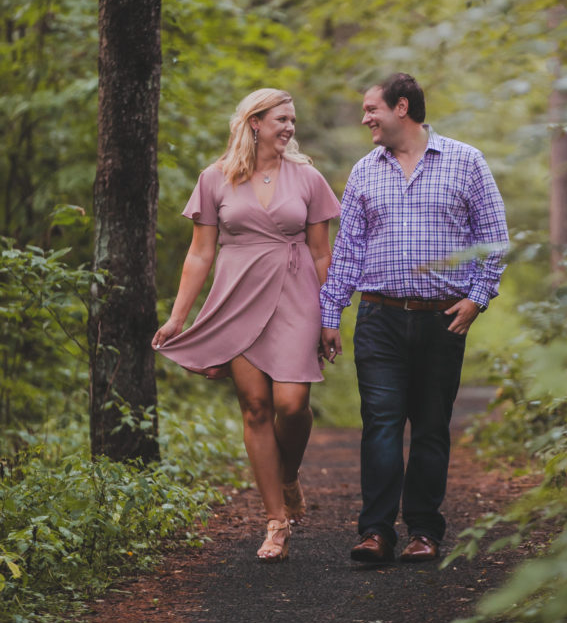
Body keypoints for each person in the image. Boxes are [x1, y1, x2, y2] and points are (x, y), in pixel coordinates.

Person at [320, 73, 508, 564]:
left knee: (430, 426)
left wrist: (477, 298)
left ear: (401, 108)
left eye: (371, 110)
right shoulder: (365, 170)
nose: (366, 119)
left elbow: (495, 238)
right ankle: (376, 532)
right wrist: (330, 313)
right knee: (380, 423)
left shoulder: (466, 162)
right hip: (379, 317)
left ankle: (425, 530)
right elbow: (348, 251)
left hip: (442, 318)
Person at [153, 89, 340, 563]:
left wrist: (331, 314)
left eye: (293, 120)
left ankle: (288, 475)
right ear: (254, 122)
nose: (290, 127)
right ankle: (276, 520)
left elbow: (322, 252)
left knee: (292, 404)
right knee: (255, 407)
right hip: (238, 297)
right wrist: (179, 316)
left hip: (296, 293)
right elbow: (200, 253)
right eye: (282, 119)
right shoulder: (215, 179)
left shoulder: (308, 178)